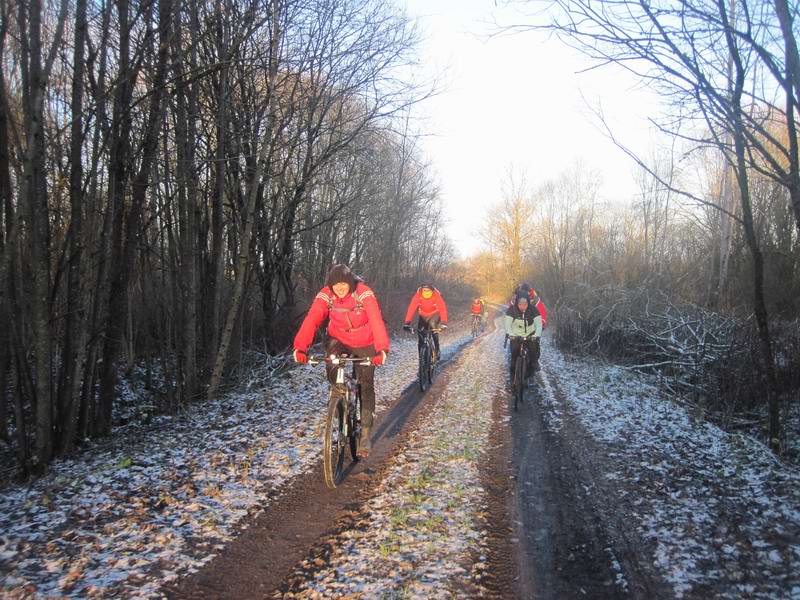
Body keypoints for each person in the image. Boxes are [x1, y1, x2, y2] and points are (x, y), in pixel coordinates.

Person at [292, 264, 389, 458]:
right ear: (330, 285)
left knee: (366, 384)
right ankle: (339, 395)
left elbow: (376, 319)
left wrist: (381, 349)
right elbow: (312, 318)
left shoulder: (363, 293)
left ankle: (365, 434)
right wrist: (300, 346)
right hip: (339, 339)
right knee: (332, 363)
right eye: (336, 285)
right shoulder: (326, 294)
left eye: (344, 284)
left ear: (351, 282)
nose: (340, 288)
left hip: (365, 341)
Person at [403, 284, 448, 361]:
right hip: (423, 316)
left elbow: (442, 308)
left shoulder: (436, 295)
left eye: (428, 291)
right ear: (421, 290)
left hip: (435, 314)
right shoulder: (418, 295)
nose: (426, 292)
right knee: (420, 334)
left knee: (433, 327)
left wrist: (443, 322)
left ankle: (437, 349)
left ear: (432, 291)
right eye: (424, 290)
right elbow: (412, 308)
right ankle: (421, 358)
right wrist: (407, 322)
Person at [504, 289, 542, 381]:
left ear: (528, 303)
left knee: (533, 351)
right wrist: (511, 334)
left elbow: (538, 324)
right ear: (517, 303)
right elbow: (507, 324)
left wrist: (536, 335)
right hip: (516, 334)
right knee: (514, 356)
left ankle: (532, 368)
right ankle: (513, 379)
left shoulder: (533, 310)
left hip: (530, 334)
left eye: (525, 304)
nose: (522, 306)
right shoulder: (511, 310)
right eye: (520, 304)